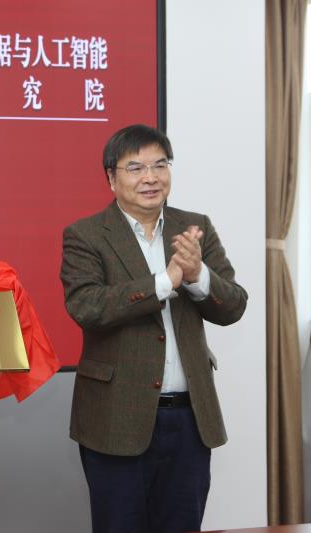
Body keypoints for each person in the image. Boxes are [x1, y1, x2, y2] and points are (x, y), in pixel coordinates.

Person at [60, 124, 248, 533]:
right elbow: (87, 306)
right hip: (116, 418)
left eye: (160, 165)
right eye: (136, 167)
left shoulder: (194, 227)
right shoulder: (86, 235)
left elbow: (233, 305)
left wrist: (198, 276)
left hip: (190, 420)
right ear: (112, 178)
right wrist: (165, 282)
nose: (151, 177)